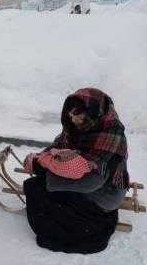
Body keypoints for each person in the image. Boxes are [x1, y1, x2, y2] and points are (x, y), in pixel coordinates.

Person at [23, 88, 129, 254]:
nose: (74, 120)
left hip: (104, 193)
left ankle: (81, 228)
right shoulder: (78, 128)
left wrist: (48, 171)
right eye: (71, 115)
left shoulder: (110, 136)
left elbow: (89, 181)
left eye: (78, 115)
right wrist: (40, 157)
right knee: (34, 185)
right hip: (84, 180)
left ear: (94, 111)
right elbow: (57, 147)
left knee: (41, 191)